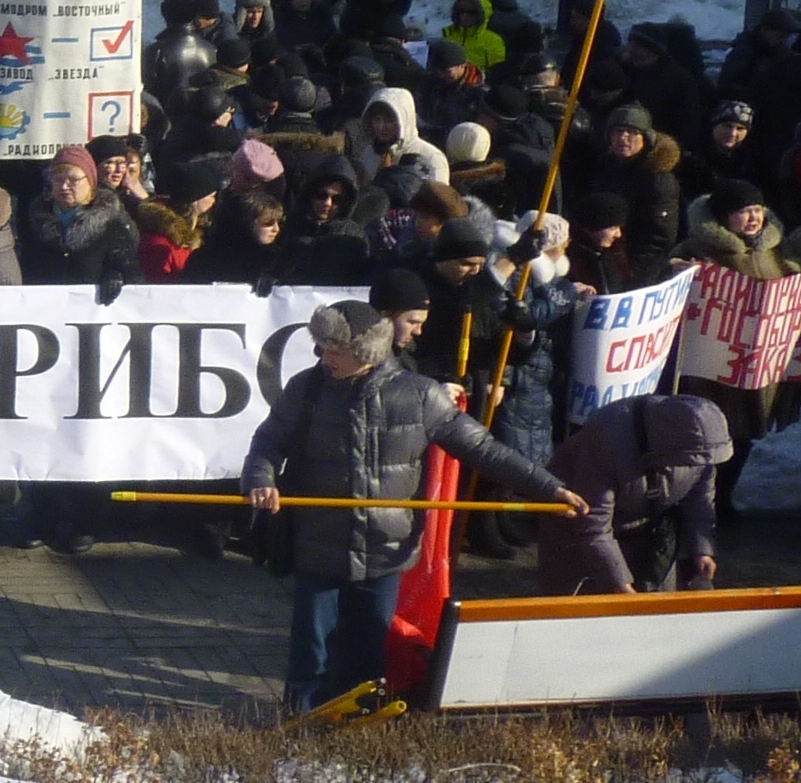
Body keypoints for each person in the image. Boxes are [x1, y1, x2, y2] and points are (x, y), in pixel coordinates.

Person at [243, 300, 581, 715]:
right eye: (322, 346)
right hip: (317, 545)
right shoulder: (305, 388)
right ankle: (301, 719)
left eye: (334, 349)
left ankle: (359, 718)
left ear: (366, 352)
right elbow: (267, 442)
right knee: (311, 648)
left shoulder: (420, 395)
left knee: (368, 648)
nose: (324, 357)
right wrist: (260, 479)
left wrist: (548, 489)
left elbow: (484, 450)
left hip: (386, 549)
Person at [540, 392, 729, 596]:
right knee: (580, 605)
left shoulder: (701, 450)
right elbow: (592, 521)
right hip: (576, 528)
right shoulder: (607, 440)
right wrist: (617, 581)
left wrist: (701, 550)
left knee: (659, 602)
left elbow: (700, 498)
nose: (700, 465)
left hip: (649, 525)